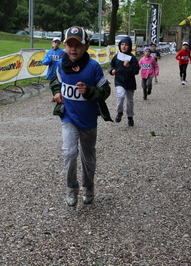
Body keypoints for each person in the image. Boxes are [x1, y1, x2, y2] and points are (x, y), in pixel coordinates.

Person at [49, 26, 112, 206]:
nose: (73, 49)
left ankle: (88, 186)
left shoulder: (93, 67)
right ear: (64, 45)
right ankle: (71, 187)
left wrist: (90, 91)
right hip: (68, 117)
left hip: (88, 120)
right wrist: (56, 93)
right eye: (70, 45)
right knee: (69, 152)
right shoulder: (61, 64)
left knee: (88, 156)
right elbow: (56, 81)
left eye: (78, 45)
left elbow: (105, 90)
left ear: (86, 46)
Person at [110, 36, 139, 127]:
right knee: (121, 95)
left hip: (130, 82)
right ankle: (119, 112)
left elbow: (136, 71)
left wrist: (128, 67)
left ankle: (130, 117)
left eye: (126, 45)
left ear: (129, 46)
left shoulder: (133, 58)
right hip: (119, 81)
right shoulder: (117, 56)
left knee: (130, 101)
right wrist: (112, 71)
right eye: (122, 44)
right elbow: (112, 66)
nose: (124, 46)